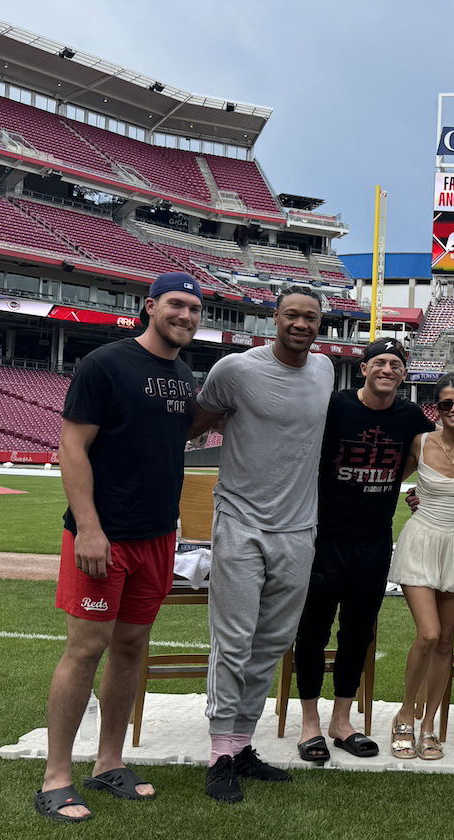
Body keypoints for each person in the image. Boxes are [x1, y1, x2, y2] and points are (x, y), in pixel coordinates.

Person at [35, 274, 202, 823]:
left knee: (132, 647)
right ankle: (56, 776)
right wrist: (88, 527)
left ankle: (109, 762)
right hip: (102, 535)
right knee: (85, 648)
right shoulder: (105, 363)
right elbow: (72, 447)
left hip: (157, 535)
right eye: (176, 305)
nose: (186, 315)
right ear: (150, 306)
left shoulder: (182, 374)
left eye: (195, 309)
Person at [190, 285, 334, 803]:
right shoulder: (235, 369)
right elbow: (196, 423)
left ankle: (242, 742)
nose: (301, 324)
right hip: (241, 521)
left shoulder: (324, 370)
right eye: (292, 315)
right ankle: (219, 754)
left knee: (272, 642)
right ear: (274, 318)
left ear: (321, 324)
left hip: (299, 528)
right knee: (233, 640)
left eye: (311, 317)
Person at [292, 339, 432, 764]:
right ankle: (310, 723)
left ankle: (342, 720)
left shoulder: (409, 415)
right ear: (364, 367)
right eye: (380, 362)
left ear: (404, 374)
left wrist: (410, 488)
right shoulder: (335, 405)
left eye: (396, 364)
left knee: (358, 632)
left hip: (372, 539)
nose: (388, 369)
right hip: (324, 536)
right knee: (313, 630)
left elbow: (432, 452)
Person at [388, 374, 454, 761]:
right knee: (428, 635)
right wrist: (409, 499)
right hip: (420, 541)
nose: (453, 410)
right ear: (435, 407)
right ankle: (404, 716)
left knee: (447, 641)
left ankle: (429, 725)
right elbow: (391, 484)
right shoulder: (419, 442)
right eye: (445, 403)